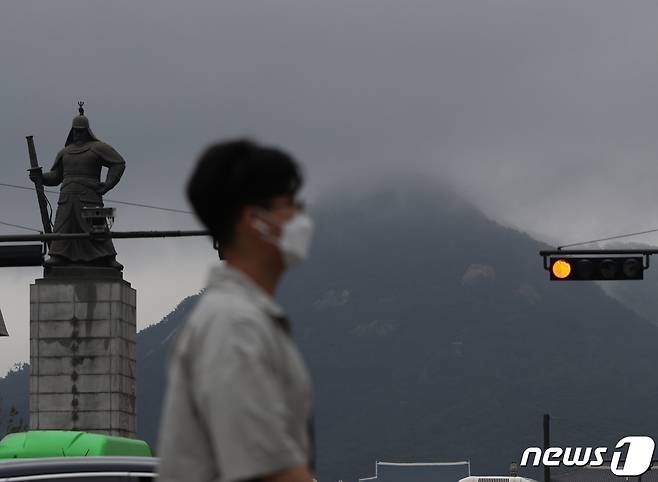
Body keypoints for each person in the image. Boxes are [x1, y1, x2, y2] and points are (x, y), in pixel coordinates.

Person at [157, 139, 315, 482]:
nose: (301, 219)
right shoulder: (233, 325)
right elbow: (272, 472)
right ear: (254, 220)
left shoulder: (246, 318)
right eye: (289, 205)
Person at [29, 104, 125, 269]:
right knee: (62, 226)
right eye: (76, 131)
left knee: (98, 228)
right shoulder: (65, 152)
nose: (78, 134)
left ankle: (108, 257)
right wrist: (40, 177)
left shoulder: (98, 148)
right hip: (67, 196)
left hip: (90, 194)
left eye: (81, 131)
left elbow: (119, 163)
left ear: (87, 131)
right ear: (71, 131)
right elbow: (56, 177)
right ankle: (59, 255)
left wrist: (108, 184)